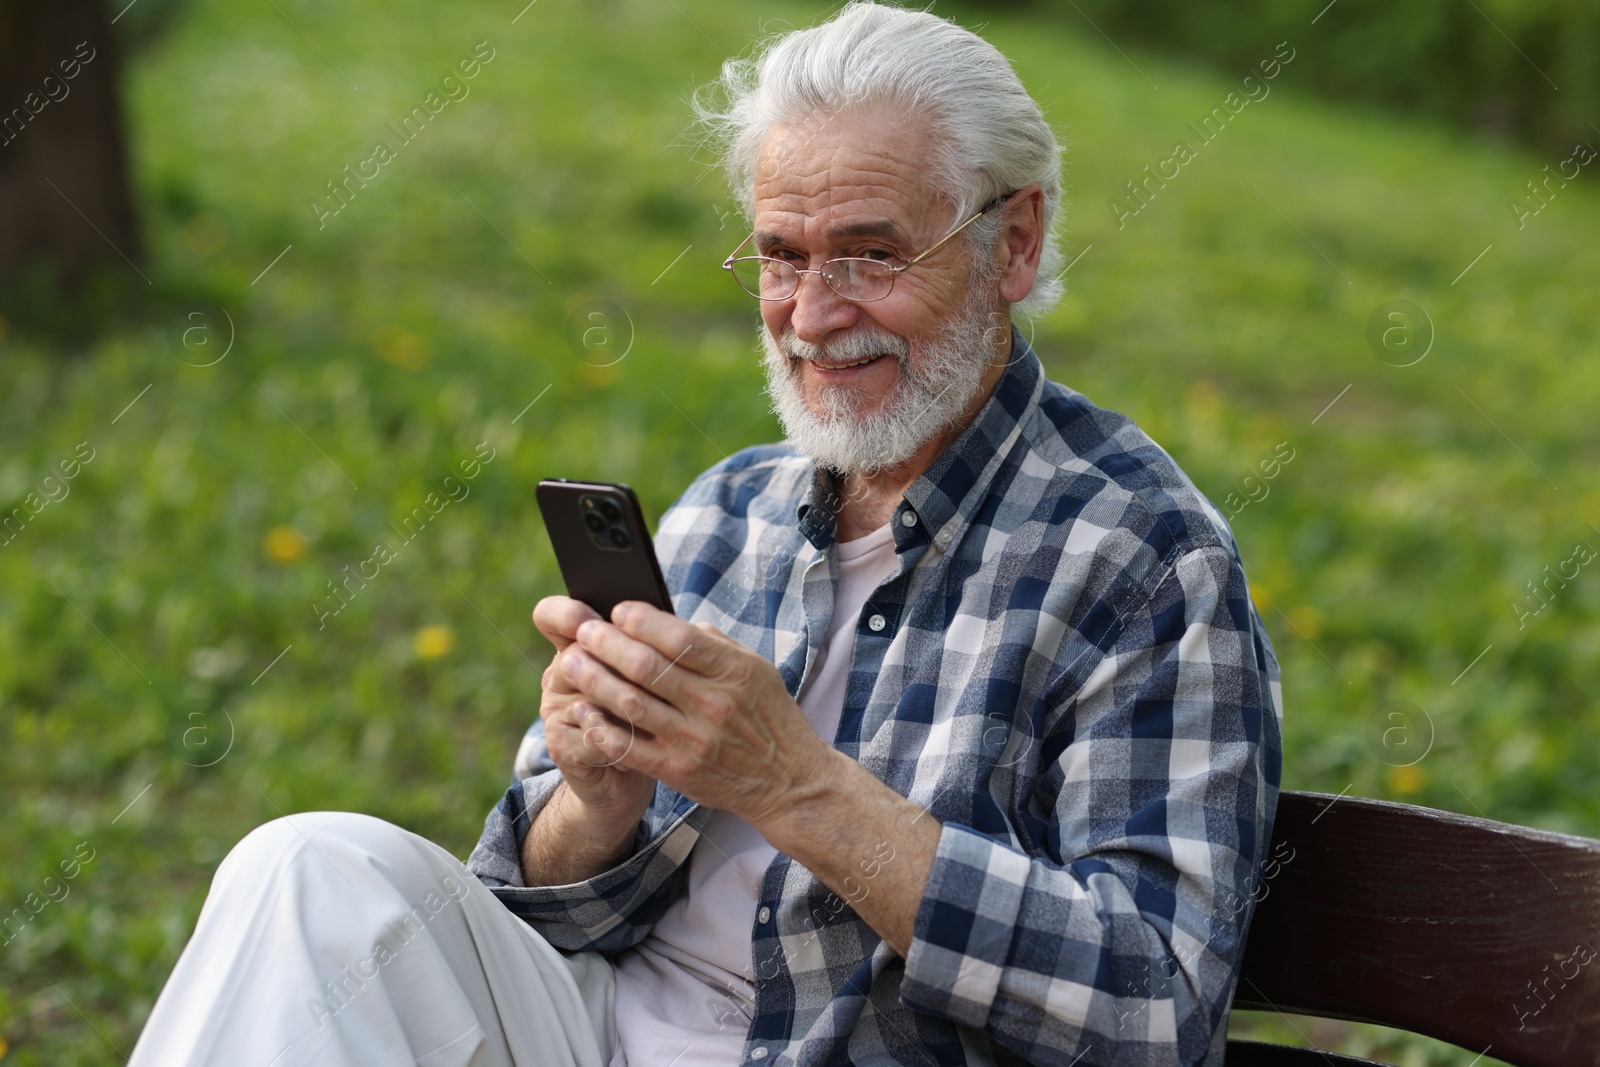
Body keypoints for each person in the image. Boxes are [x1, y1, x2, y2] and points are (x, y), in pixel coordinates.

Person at [128, 4, 1281, 1066]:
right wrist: (594, 798)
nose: (814, 315)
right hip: (602, 1032)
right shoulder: (726, 511)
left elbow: (1155, 1008)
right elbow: (539, 906)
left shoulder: (1140, 558)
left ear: (1012, 244)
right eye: (782, 256)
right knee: (308, 869)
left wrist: (798, 787)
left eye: (873, 255)